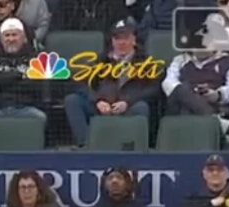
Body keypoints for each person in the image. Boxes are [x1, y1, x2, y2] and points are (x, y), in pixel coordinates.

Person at [64, 19, 158, 147]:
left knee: (141, 107)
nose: (121, 43)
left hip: (128, 107)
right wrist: (98, 100)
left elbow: (153, 89)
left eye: (125, 38)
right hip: (102, 107)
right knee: (72, 100)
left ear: (134, 40)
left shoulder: (146, 61)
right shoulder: (102, 59)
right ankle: (86, 145)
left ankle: (132, 147)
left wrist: (127, 102)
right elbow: (81, 83)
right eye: (117, 39)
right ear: (112, 41)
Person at [0, 18, 46, 122]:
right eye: (7, 35)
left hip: (27, 108)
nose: (11, 39)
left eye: (15, 35)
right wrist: (19, 76)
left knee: (40, 118)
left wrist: (2, 82)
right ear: (1, 40)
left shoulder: (35, 58)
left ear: (24, 38)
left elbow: (36, 84)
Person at [86, 167, 151, 207]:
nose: (114, 181)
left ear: (127, 183)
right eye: (110, 178)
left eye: (119, 178)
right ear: (105, 184)